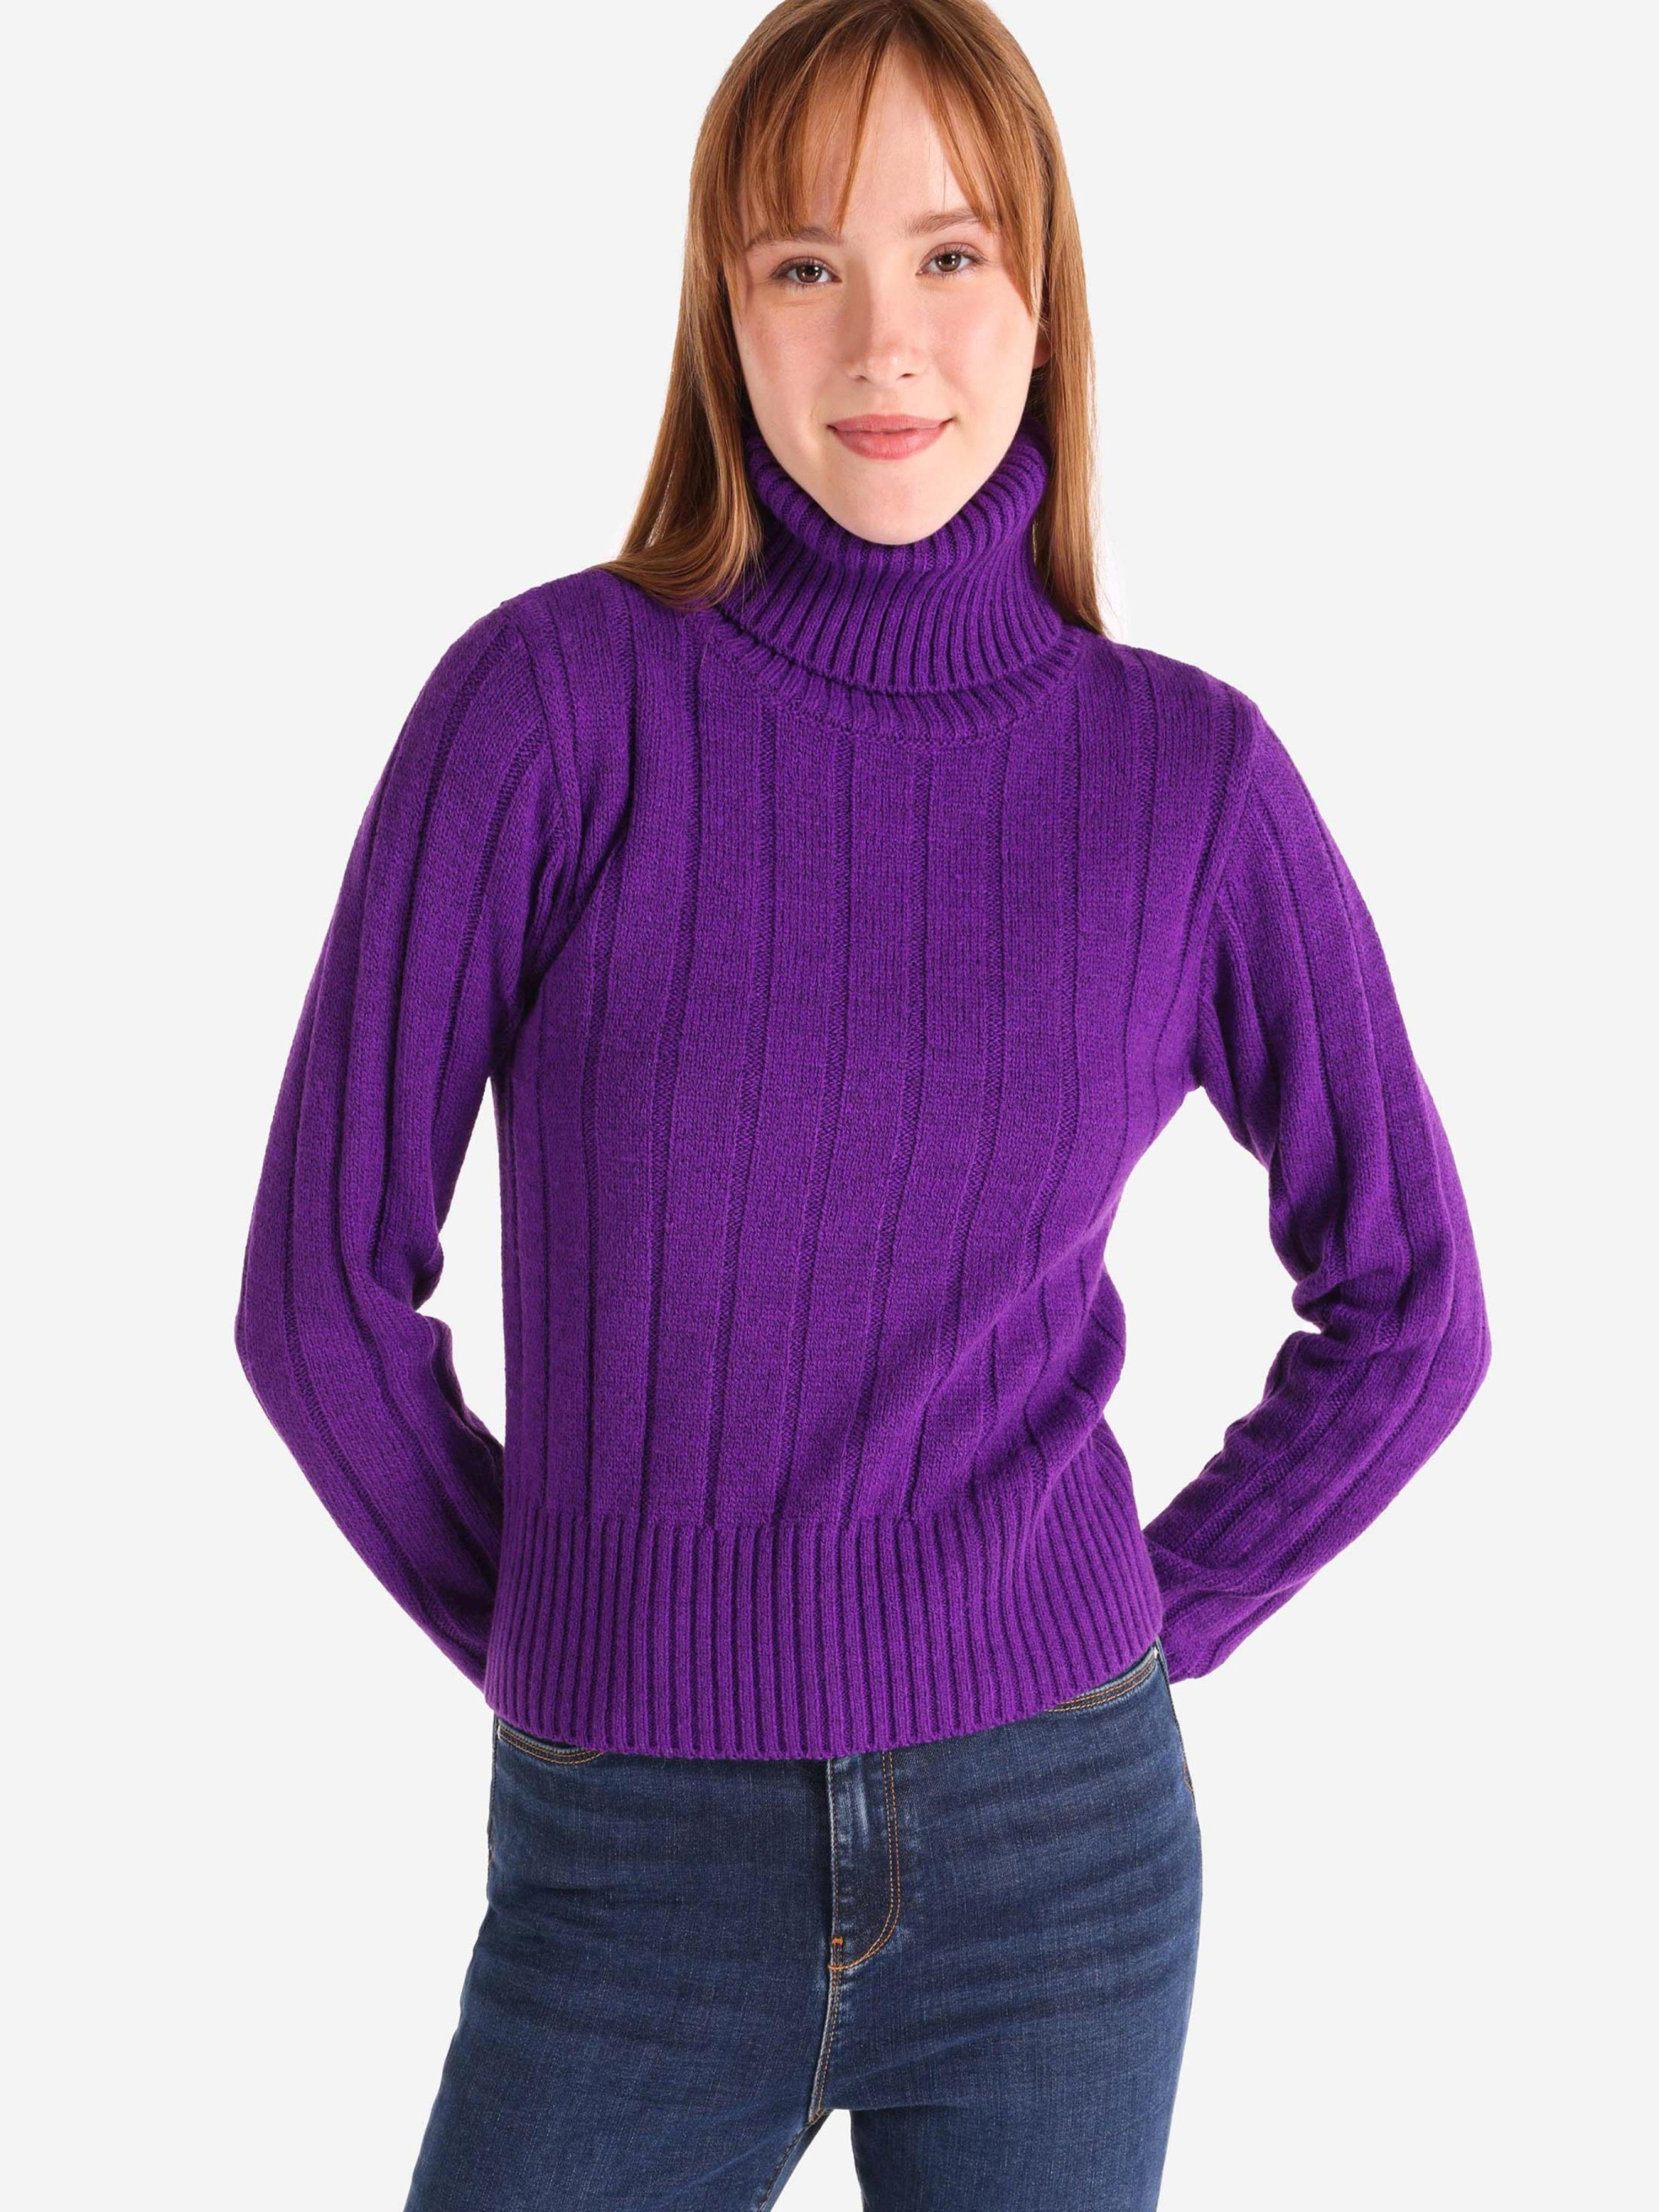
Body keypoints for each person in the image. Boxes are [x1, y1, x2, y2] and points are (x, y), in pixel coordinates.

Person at [233, 2, 1492, 2204]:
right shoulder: (552, 709)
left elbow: (1414, 1309)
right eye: (802, 263)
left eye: (950, 254)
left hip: (1064, 1855)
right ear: (723, 312)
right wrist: (577, 1633)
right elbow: (316, 1299)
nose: (882, 338)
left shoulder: (1184, 775)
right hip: (626, 1867)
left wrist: (1148, 1614)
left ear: (1043, 298)